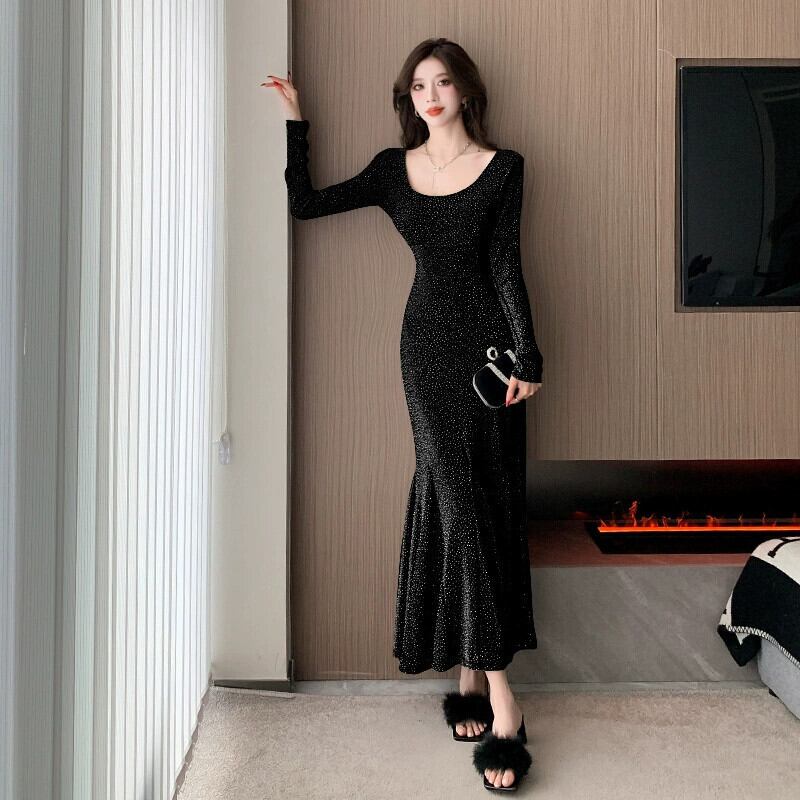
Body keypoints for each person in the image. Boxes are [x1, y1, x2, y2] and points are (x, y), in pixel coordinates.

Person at [264, 36, 543, 792]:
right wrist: (296, 121)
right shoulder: (394, 170)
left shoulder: (504, 168)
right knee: (455, 499)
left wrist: (529, 357)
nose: (430, 95)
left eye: (442, 82)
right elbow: (305, 204)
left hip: (489, 357)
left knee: (482, 503)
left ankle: (468, 679)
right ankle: (505, 700)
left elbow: (506, 266)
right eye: (418, 85)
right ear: (407, 97)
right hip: (425, 353)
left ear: (465, 90)